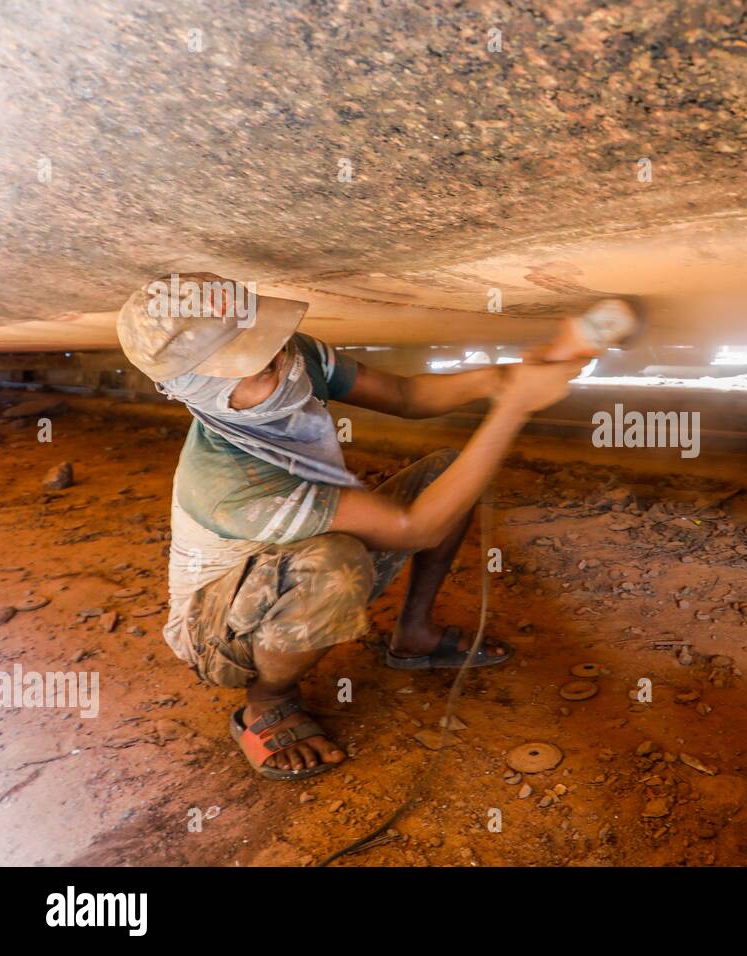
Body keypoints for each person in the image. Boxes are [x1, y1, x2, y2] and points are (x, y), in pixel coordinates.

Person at [116, 272, 592, 780]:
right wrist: (515, 408)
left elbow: (407, 396)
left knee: (446, 478)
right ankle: (267, 702)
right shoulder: (229, 482)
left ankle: (414, 635)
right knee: (334, 565)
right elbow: (416, 529)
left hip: (291, 562)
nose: (282, 364)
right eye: (256, 367)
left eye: (271, 344)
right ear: (202, 393)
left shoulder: (289, 359)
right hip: (216, 630)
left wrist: (511, 376)